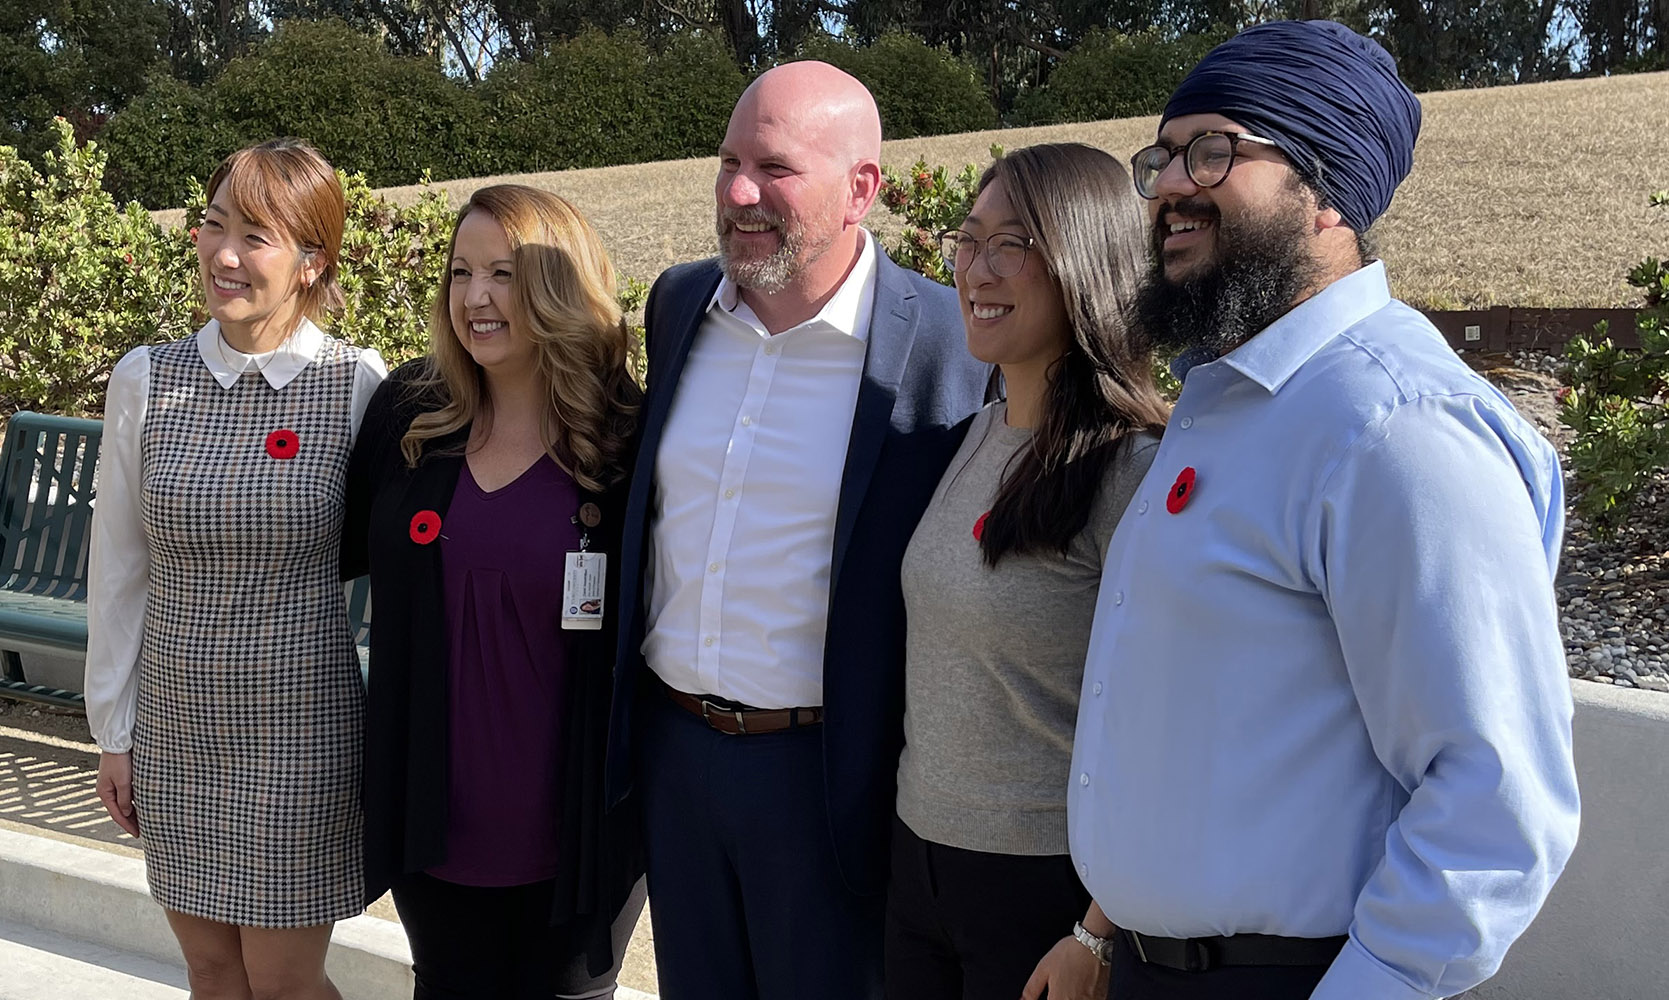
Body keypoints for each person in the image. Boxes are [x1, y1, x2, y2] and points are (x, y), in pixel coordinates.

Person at [1025, 19, 1581, 1000]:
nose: (1165, 185)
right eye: (1159, 155)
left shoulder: (1394, 424)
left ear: (1327, 192)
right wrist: (1101, 933)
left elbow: (1496, 801)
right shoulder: (1228, 401)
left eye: (1212, 151)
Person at [603, 61, 990, 1000]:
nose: (738, 193)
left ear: (863, 188)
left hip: (831, 782)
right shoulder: (678, 305)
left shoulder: (948, 344)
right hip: (674, 760)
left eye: (774, 169)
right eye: (728, 161)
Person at [85, 138, 386, 999]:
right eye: (214, 225)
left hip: (300, 730)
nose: (223, 254)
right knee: (211, 969)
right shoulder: (147, 378)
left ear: (310, 260)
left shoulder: (357, 383)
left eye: (255, 236)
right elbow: (118, 567)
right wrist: (116, 730)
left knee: (285, 980)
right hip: (176, 727)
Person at [342, 184, 646, 999]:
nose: (475, 297)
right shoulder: (410, 415)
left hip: (581, 836)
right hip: (435, 826)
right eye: (460, 272)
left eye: (504, 274)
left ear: (556, 285)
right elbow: (314, 553)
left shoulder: (627, 438)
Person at [885, 142, 1166, 1000]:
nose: (976, 267)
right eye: (967, 240)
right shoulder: (975, 434)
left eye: (1012, 243)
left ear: (1083, 260)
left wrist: (1098, 930)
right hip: (917, 864)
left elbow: (1174, 717)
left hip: (1044, 890)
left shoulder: (1135, 471)